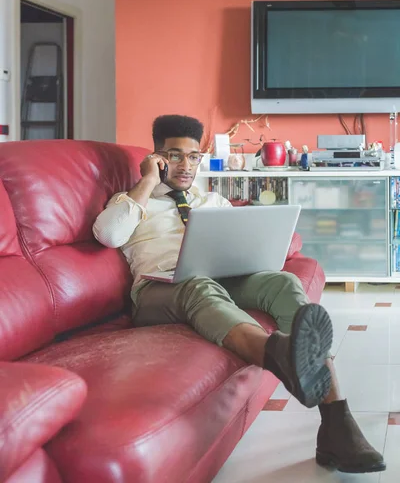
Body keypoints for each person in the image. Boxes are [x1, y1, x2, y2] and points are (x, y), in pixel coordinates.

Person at [93, 114, 385, 474]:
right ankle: (283, 356)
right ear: (157, 157)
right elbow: (108, 235)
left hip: (220, 277)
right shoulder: (130, 201)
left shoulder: (211, 202)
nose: (186, 166)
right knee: (199, 286)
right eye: (175, 155)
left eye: (193, 156)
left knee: (282, 283)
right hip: (160, 289)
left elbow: (245, 246)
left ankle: (337, 423)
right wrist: (149, 180)